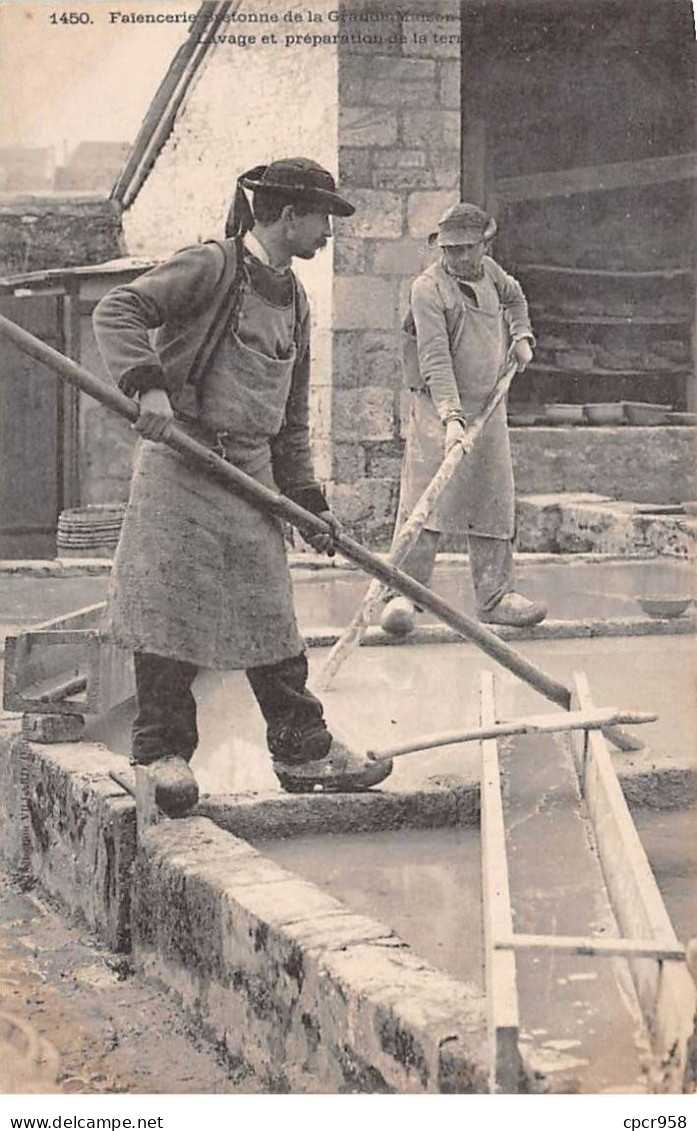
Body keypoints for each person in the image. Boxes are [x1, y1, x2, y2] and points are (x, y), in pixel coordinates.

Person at [93, 157, 392, 814]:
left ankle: (302, 751)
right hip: (182, 458)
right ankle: (161, 756)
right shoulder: (210, 266)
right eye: (324, 219)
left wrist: (306, 498)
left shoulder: (296, 298)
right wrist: (147, 385)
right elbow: (118, 309)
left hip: (251, 471)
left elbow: (289, 416)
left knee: (268, 612)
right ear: (289, 216)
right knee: (170, 608)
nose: (328, 232)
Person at [381, 202, 547, 637]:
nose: (457, 258)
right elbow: (435, 359)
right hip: (438, 408)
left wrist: (522, 334)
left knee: (493, 495)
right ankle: (402, 594)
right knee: (425, 500)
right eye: (450, 250)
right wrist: (451, 417)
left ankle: (496, 597)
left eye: (466, 249)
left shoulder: (491, 273)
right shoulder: (428, 289)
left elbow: (515, 297)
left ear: (484, 245)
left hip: (488, 405)